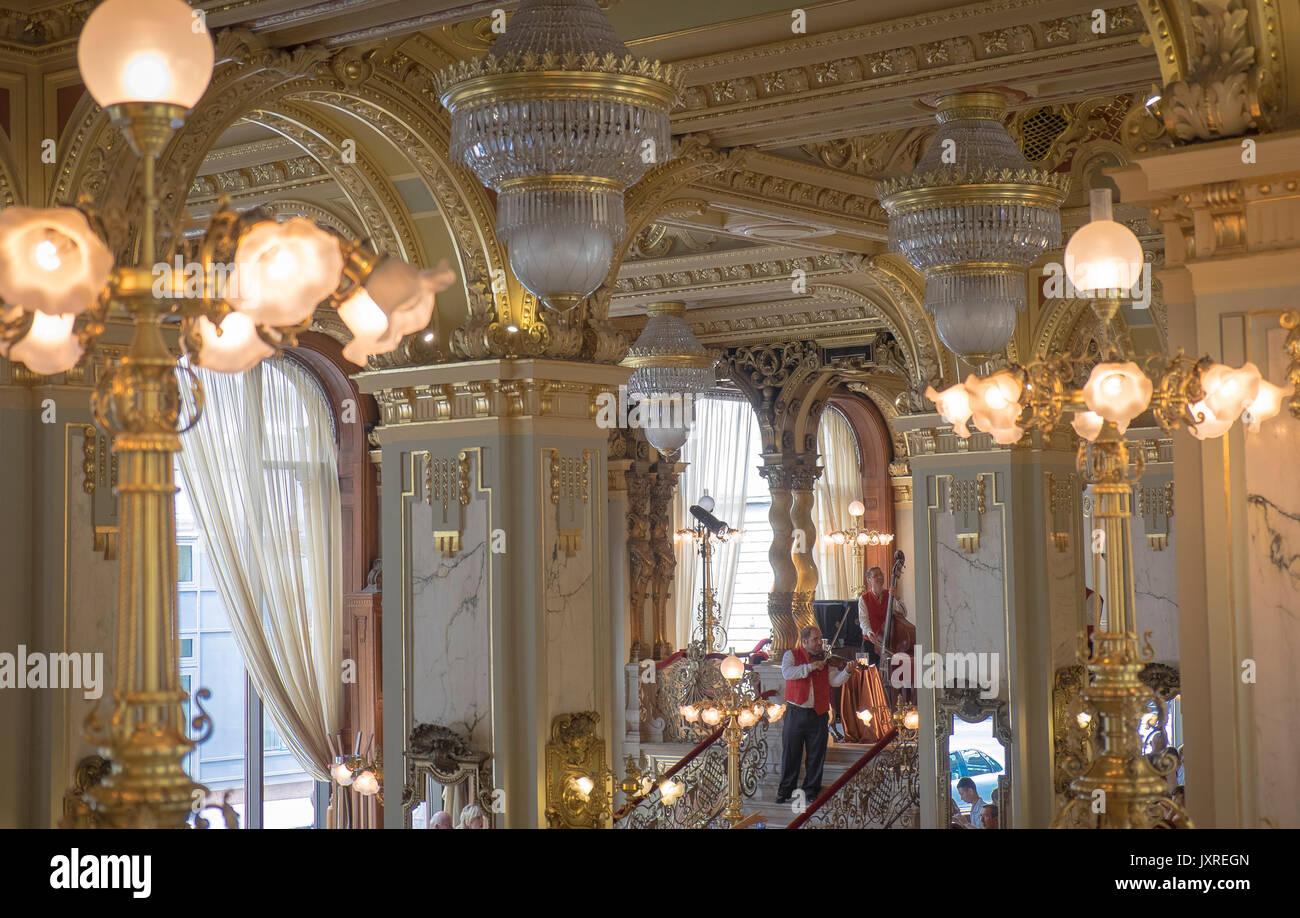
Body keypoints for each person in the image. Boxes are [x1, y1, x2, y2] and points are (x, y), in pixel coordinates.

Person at [776, 625, 854, 804]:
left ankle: (810, 792)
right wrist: (810, 667)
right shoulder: (791, 655)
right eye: (815, 639)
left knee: (816, 755)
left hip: (818, 713)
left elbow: (834, 681)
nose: (820, 642)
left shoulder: (825, 659)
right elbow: (787, 673)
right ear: (804, 641)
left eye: (820, 639)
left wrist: (847, 672)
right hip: (795, 712)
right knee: (791, 754)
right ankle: (785, 792)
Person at [858, 566, 913, 702]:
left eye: (881, 574)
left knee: (892, 675)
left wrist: (897, 598)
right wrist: (870, 633)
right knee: (865, 674)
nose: (879, 577)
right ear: (869, 579)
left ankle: (892, 702)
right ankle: (869, 702)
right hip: (869, 643)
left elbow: (903, 613)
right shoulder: (863, 599)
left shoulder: (890, 595)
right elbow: (863, 621)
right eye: (875, 575)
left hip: (889, 643)